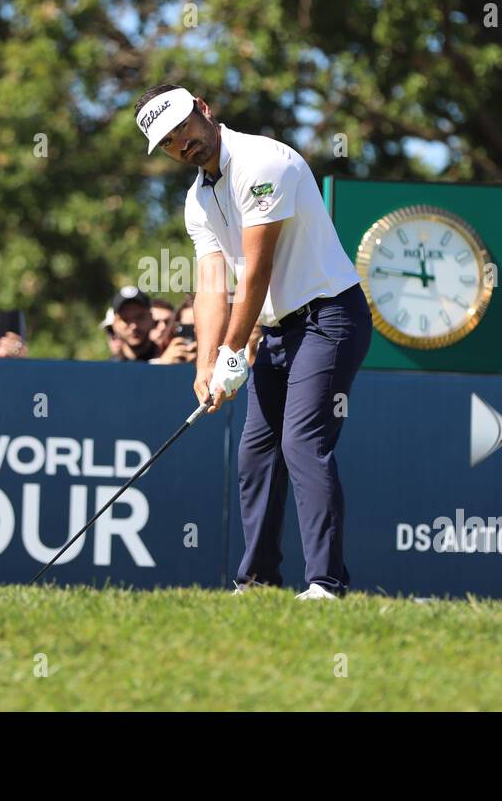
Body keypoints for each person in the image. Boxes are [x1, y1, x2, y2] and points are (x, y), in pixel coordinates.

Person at [135, 84, 372, 600]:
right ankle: (258, 582)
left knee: (302, 442)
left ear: (204, 109)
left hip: (330, 316)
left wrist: (231, 352)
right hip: (279, 331)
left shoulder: (263, 161)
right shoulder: (198, 199)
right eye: (169, 142)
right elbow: (211, 286)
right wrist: (205, 363)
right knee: (256, 453)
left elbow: (257, 271)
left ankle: (326, 585)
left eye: (183, 129)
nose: (182, 144)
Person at [107, 286, 161, 362]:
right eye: (125, 319)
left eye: (139, 317)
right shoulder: (108, 371)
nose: (133, 326)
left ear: (151, 318)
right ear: (114, 325)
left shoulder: (171, 362)